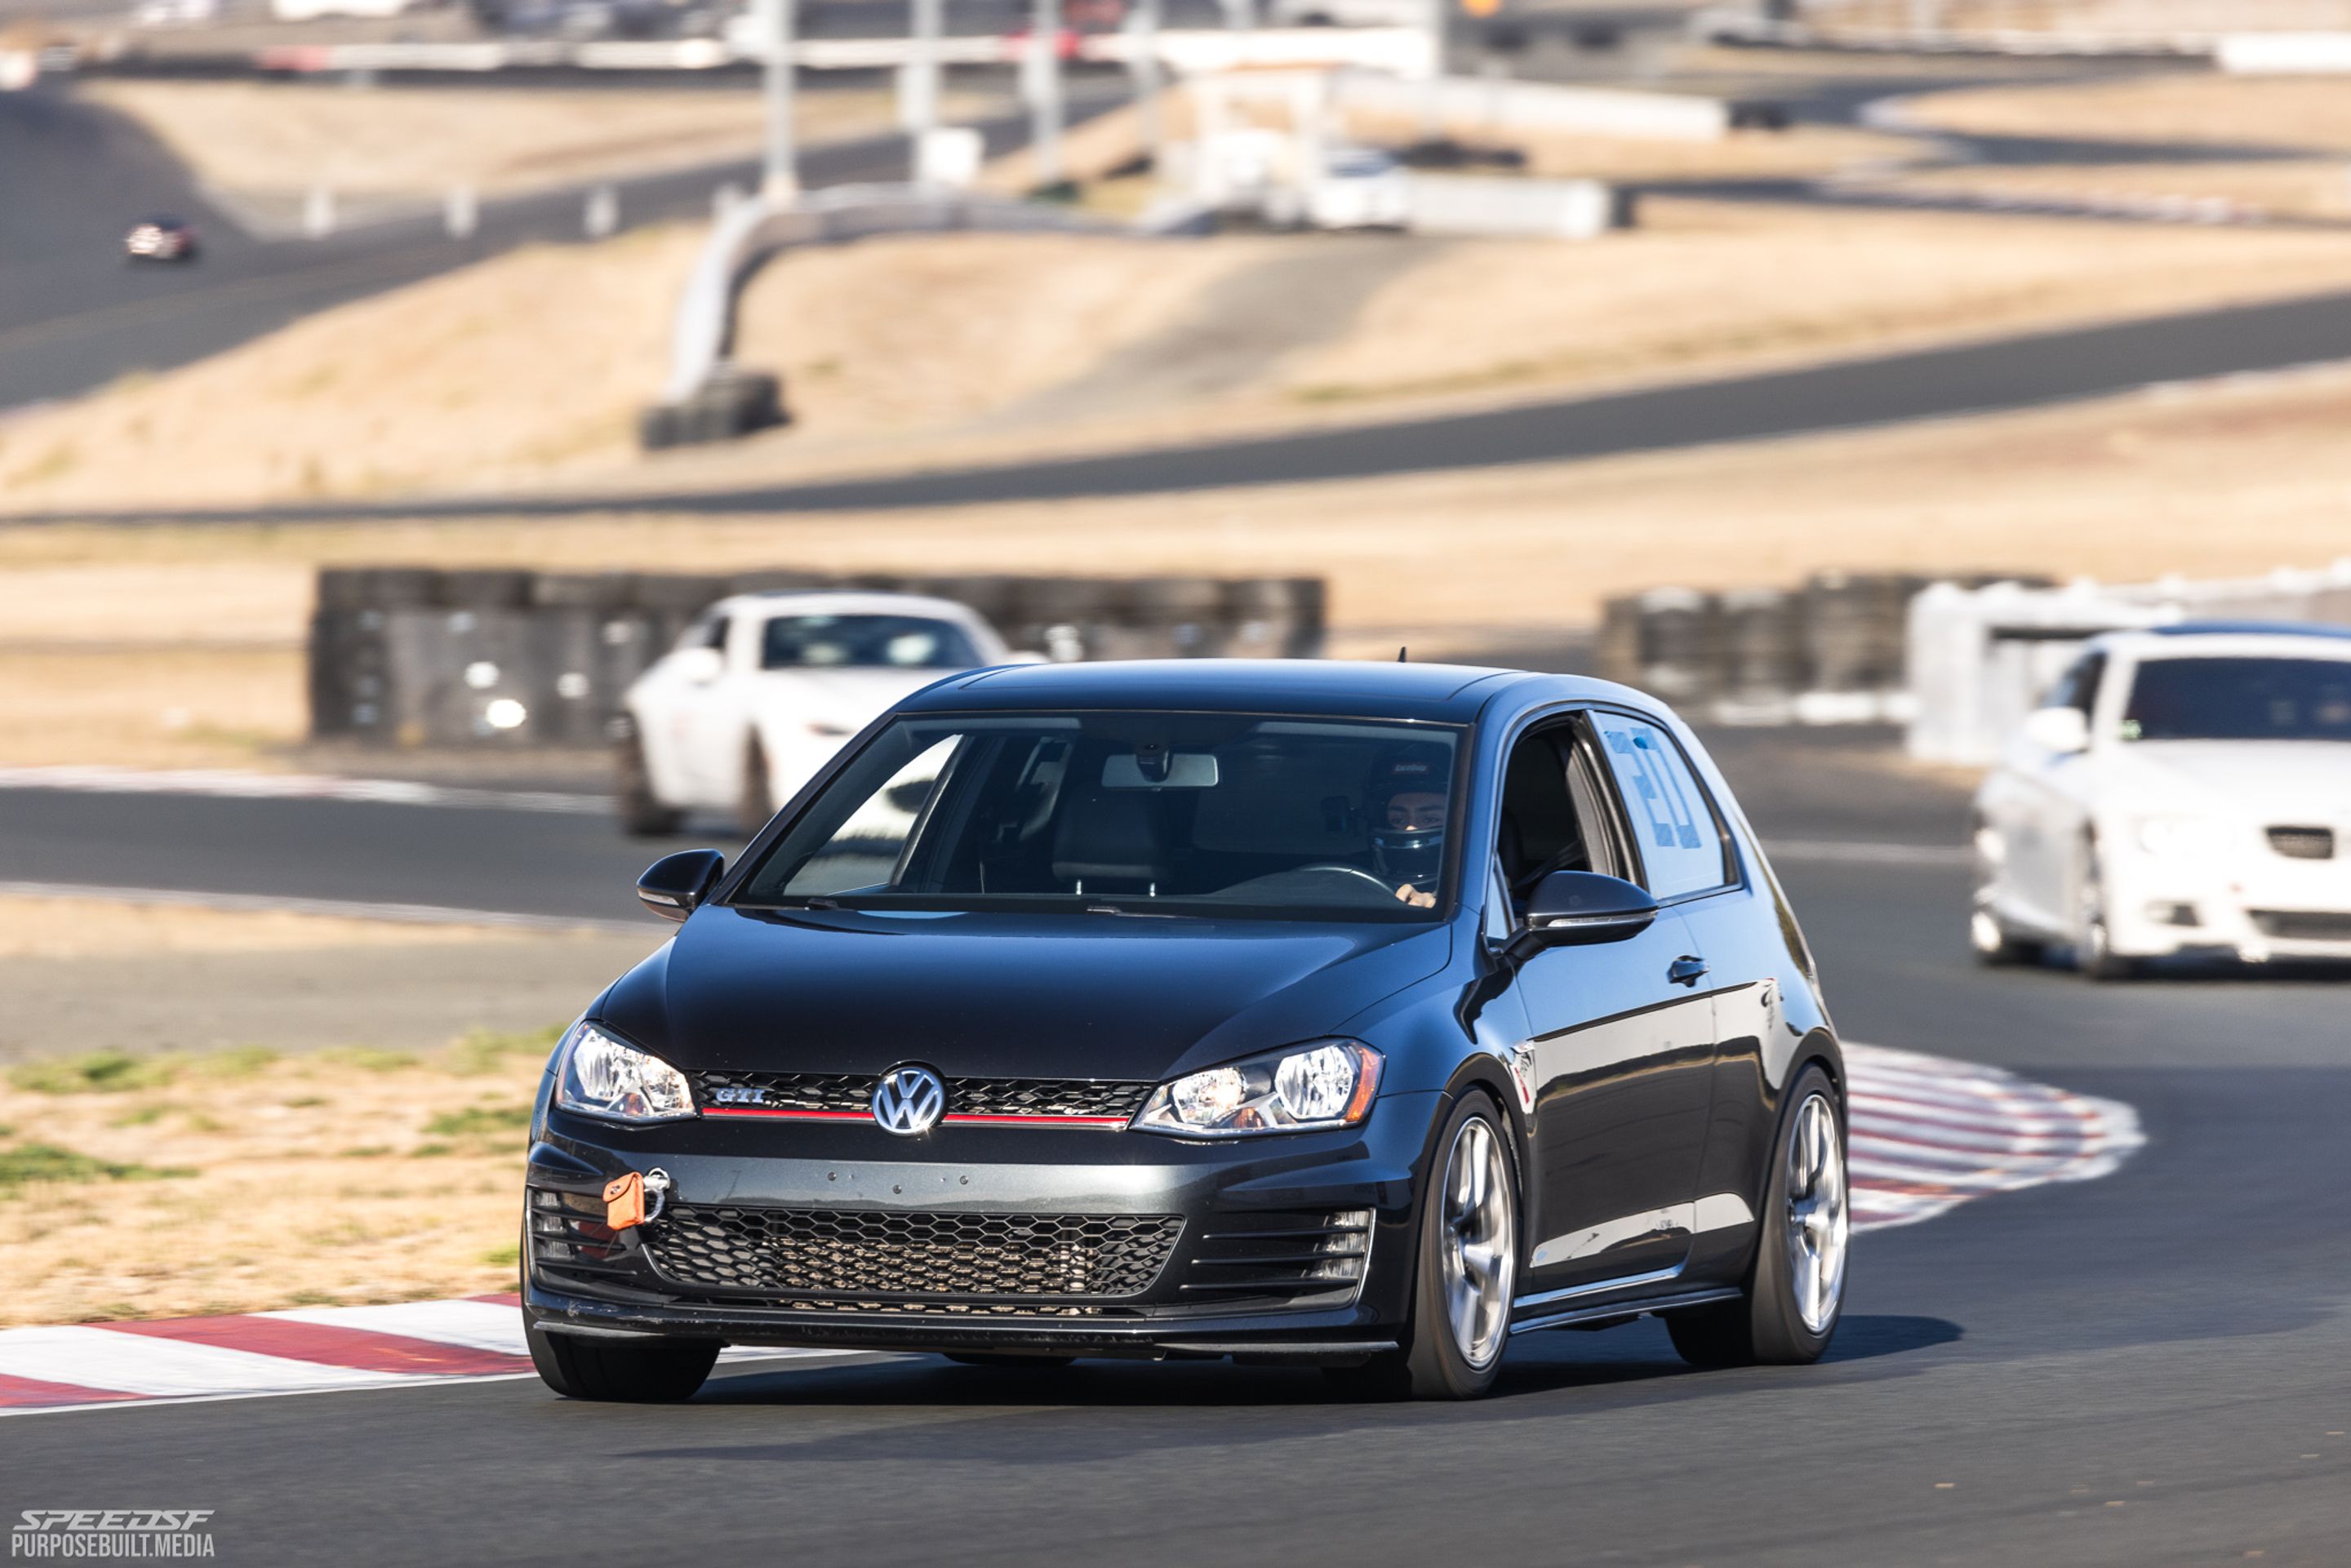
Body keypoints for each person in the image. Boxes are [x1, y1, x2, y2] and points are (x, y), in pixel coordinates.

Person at [1367, 746, 1451, 908]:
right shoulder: (1356, 881)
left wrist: (1437, 907)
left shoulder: (1481, 885)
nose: (1410, 829)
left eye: (1430, 819)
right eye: (1398, 820)